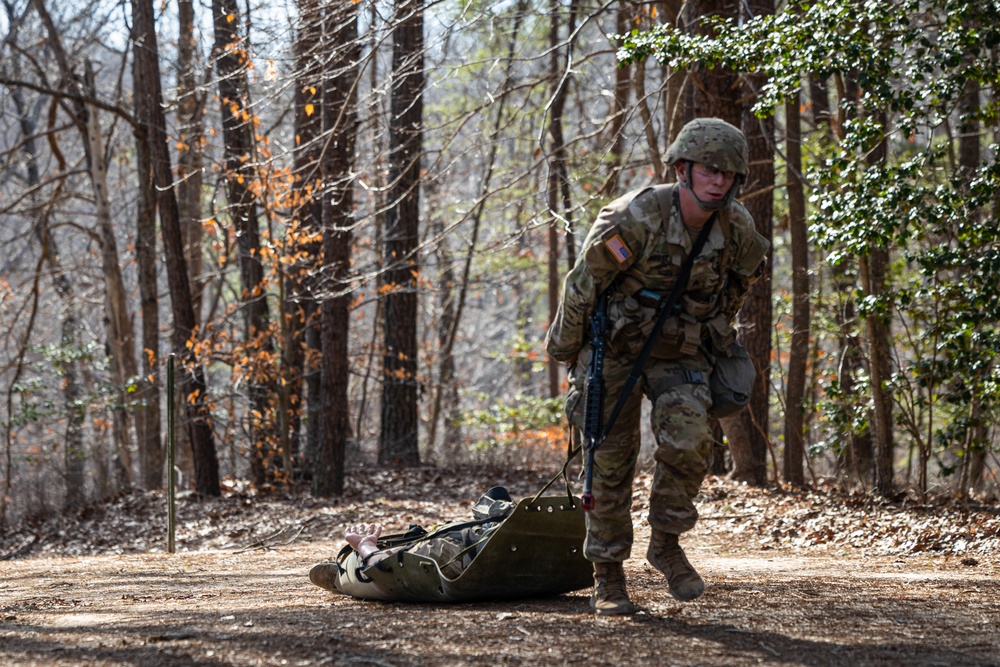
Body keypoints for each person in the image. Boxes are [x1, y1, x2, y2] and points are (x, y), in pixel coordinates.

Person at [545, 118, 769, 615]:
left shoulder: (738, 230)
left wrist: (714, 336)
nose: (719, 181)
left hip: (680, 352)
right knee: (608, 459)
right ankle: (607, 574)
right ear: (682, 168)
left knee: (692, 443)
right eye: (710, 170)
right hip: (616, 348)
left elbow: (738, 288)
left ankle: (665, 543)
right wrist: (566, 350)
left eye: (729, 175)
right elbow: (583, 286)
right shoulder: (636, 217)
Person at [309, 487, 517, 597]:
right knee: (496, 495)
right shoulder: (527, 527)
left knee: (363, 573)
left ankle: (341, 577)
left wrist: (365, 545)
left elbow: (386, 568)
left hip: (465, 558)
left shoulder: (448, 552)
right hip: (501, 543)